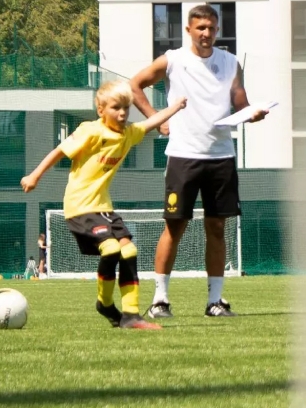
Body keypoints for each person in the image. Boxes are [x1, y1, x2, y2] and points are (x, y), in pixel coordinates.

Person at [129, 4, 266, 319]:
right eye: (200, 28)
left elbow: (240, 100)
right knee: (174, 227)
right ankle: (160, 300)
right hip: (183, 156)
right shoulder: (173, 60)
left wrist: (252, 113)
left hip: (221, 157)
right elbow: (134, 85)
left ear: (217, 30)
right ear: (189, 30)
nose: (206, 34)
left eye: (211, 28)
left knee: (217, 228)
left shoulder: (230, 62)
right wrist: (156, 120)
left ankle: (215, 301)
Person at [20, 81, 186, 330]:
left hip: (103, 209)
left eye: (126, 109)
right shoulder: (90, 130)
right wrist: (34, 176)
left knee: (128, 251)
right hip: (80, 208)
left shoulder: (128, 134)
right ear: (100, 109)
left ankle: (131, 316)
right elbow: (59, 151)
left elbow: (151, 123)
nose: (122, 114)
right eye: (116, 108)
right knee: (110, 248)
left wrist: (176, 106)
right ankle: (105, 304)